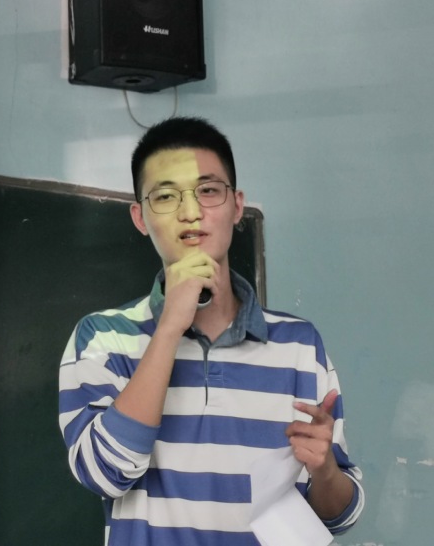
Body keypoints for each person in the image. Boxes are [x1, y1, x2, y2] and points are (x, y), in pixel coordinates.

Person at [58, 116, 364, 545]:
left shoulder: (299, 345)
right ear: (140, 218)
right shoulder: (103, 338)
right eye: (166, 196)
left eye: (207, 191)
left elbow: (339, 518)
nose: (190, 212)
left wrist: (325, 470)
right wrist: (169, 328)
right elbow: (105, 474)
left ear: (237, 206)